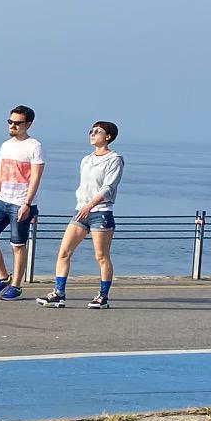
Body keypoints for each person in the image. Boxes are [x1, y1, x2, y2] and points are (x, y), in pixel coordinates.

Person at [37, 121, 124, 309]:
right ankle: (59, 294)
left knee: (101, 256)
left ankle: (103, 296)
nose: (92, 134)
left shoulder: (114, 159)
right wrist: (83, 205)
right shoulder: (86, 159)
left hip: (100, 212)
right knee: (64, 252)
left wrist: (91, 204)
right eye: (91, 131)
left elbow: (108, 188)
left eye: (97, 131)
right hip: (81, 211)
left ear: (107, 136)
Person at [0, 105, 42, 299]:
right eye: (10, 122)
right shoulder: (6, 145)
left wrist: (27, 203)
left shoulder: (34, 146)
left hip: (21, 202)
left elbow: (36, 178)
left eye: (17, 123)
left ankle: (16, 285)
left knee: (17, 245)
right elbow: (1, 173)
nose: (13, 126)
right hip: (2, 199)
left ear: (28, 124)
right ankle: (2, 277)